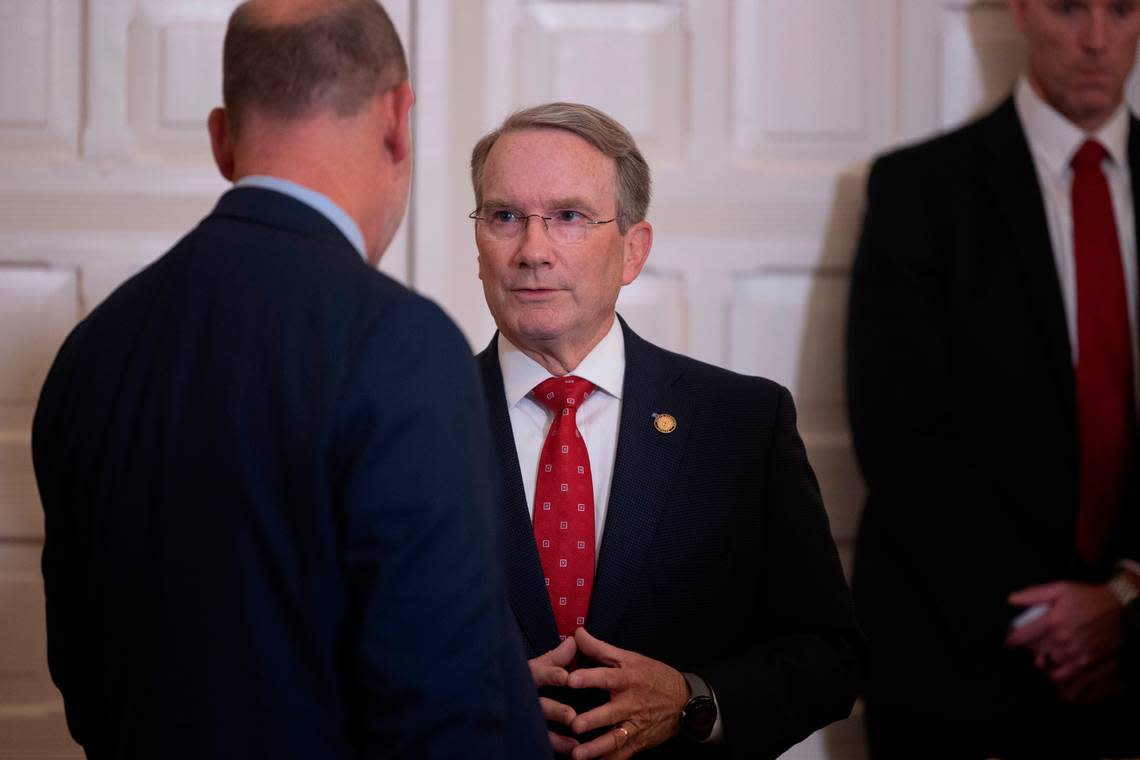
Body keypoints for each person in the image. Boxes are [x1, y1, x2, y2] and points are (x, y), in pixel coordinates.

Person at [31, 1, 547, 757]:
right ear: (398, 118)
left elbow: (81, 671)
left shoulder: (90, 351)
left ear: (220, 138)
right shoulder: (399, 347)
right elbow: (449, 716)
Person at [468, 101, 864, 760]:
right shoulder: (408, 424)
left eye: (568, 216)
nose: (532, 251)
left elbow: (830, 659)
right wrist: (466, 698)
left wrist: (693, 699)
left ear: (633, 249)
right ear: (478, 243)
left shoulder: (742, 425)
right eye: (505, 216)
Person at [847, 1, 1140, 757]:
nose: (1097, 39)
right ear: (1018, 8)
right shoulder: (920, 190)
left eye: (1123, 8)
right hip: (956, 649)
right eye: (1069, 6)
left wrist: (1126, 600)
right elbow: (900, 434)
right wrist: (1058, 625)